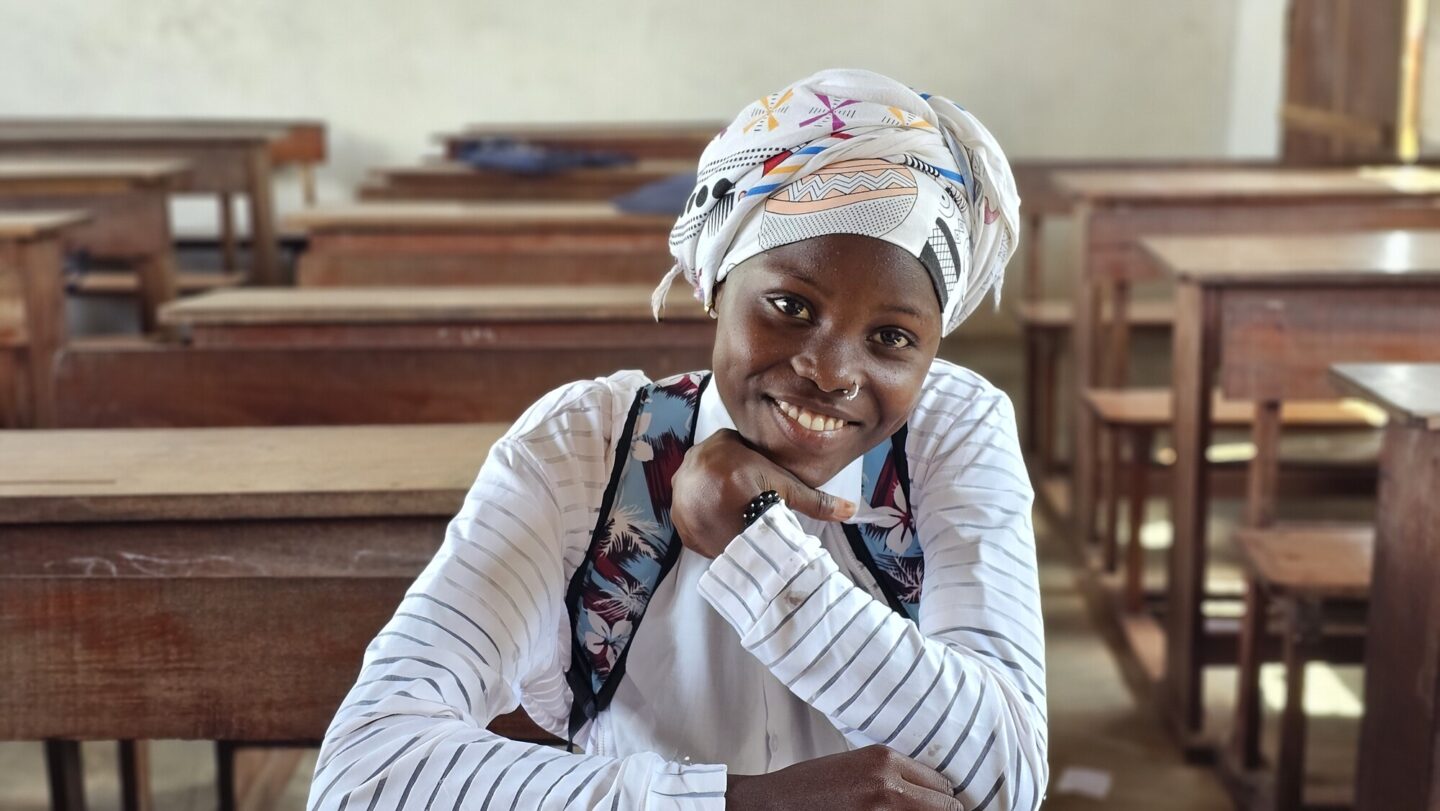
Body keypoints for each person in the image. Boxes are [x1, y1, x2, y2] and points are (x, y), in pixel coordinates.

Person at [308, 68, 1047, 810]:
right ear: (716, 283)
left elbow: (1008, 772)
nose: (830, 371)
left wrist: (760, 555)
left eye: (892, 337)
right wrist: (742, 804)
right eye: (790, 305)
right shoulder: (588, 451)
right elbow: (364, 774)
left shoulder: (946, 433)